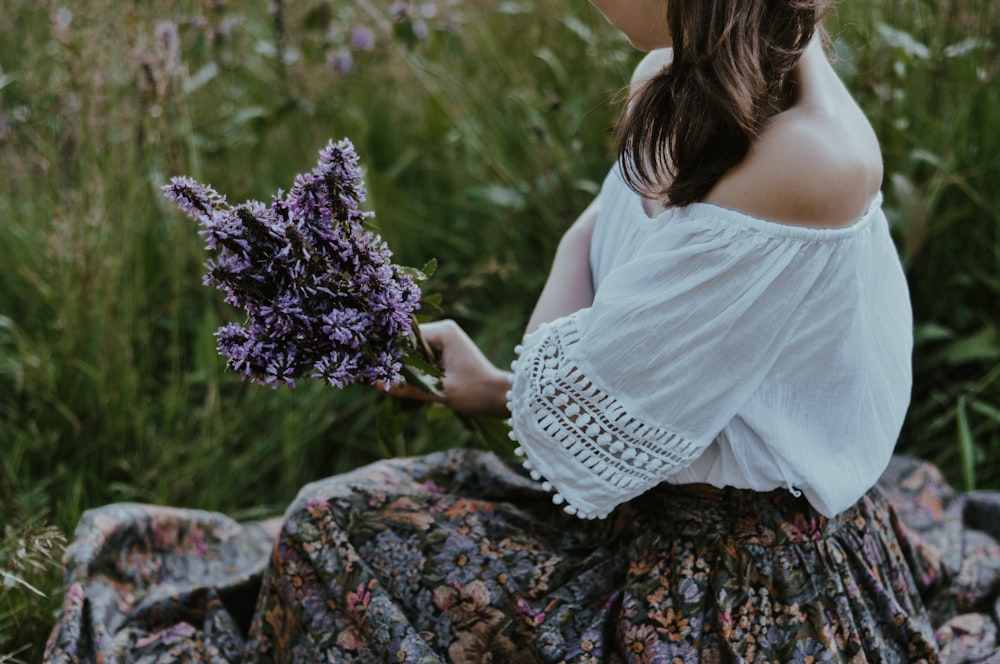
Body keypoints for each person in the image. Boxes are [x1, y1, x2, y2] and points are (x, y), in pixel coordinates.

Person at [44, 0, 1000, 661]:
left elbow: (579, 394)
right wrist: (526, 381)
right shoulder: (692, 78)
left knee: (336, 536)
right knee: (334, 521)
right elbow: (607, 246)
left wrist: (518, 385)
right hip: (657, 502)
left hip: (731, 586)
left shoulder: (810, 163)